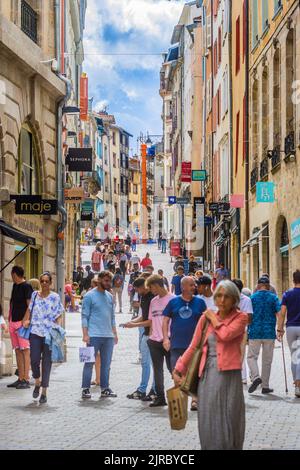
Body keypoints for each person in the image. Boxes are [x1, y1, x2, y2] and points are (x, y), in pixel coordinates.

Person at [173, 280, 248, 450]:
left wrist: (214, 318)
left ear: (234, 299)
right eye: (219, 296)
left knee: (229, 414)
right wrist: (179, 367)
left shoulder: (240, 318)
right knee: (208, 414)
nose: (222, 300)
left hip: (229, 375)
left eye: (226, 296)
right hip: (208, 372)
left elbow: (226, 335)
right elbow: (194, 346)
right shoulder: (204, 319)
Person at [163, 276, 206, 411]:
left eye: (194, 285)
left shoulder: (200, 302)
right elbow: (165, 321)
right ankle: (179, 400)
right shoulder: (173, 302)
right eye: (192, 285)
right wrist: (165, 338)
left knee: (194, 374)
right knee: (176, 373)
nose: (195, 287)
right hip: (176, 344)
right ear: (183, 287)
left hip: (195, 346)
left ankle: (195, 400)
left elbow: (205, 322)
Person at [25, 272, 64, 404]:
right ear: (40, 282)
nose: (44, 283)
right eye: (42, 281)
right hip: (35, 331)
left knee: (47, 363)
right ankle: (37, 381)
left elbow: (59, 313)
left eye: (47, 281)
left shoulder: (55, 297)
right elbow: (30, 310)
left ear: (51, 283)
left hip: (49, 333)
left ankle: (44, 392)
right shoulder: (34, 294)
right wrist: (26, 320)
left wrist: (57, 327)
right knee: (34, 360)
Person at [81, 271, 118, 399]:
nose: (108, 283)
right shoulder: (89, 296)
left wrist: (115, 334)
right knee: (88, 362)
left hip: (108, 336)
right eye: (106, 281)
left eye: (109, 281)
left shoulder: (109, 296)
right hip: (93, 335)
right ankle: (85, 388)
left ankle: (105, 388)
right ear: (100, 279)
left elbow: (112, 317)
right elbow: (84, 316)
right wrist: (85, 334)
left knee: (106, 364)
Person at [247, 277, 281, 394]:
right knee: (267, 360)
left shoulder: (252, 298)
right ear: (268, 286)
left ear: (258, 285)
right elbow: (280, 313)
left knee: (251, 357)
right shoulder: (274, 298)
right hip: (269, 332)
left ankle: (256, 377)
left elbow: (248, 315)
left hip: (255, 331)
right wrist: (280, 329)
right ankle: (265, 386)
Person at [125, 278, 156, 401]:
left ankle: (154, 390)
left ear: (143, 286)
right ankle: (142, 390)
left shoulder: (153, 298)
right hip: (145, 334)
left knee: (155, 365)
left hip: (153, 335)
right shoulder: (143, 297)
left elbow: (151, 320)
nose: (137, 291)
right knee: (145, 363)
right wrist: (131, 322)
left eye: (137, 289)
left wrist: (134, 325)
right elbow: (144, 316)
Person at [146, 275, 175, 407]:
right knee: (157, 371)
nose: (150, 290)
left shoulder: (174, 300)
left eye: (151, 287)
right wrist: (151, 337)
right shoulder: (153, 301)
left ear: (157, 285)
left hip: (170, 340)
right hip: (155, 342)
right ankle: (160, 397)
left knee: (173, 369)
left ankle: (179, 396)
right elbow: (151, 320)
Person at [7, 266, 33, 389]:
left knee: (25, 350)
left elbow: (30, 305)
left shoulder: (26, 286)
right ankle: (20, 377)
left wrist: (26, 320)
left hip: (22, 323)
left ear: (14, 274)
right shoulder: (15, 285)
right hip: (13, 321)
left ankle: (26, 379)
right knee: (17, 350)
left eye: (12, 274)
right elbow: (12, 303)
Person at [277, 270, 300, 398]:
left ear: (293, 280)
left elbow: (282, 313)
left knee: (295, 356)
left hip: (291, 328)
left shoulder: (287, 294)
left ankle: (297, 385)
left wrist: (279, 329)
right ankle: (298, 384)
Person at [232, 279, 253, 385]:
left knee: (240, 354)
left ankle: (242, 377)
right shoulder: (228, 299)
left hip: (240, 331)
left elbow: (249, 319)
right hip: (232, 331)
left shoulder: (245, 300)